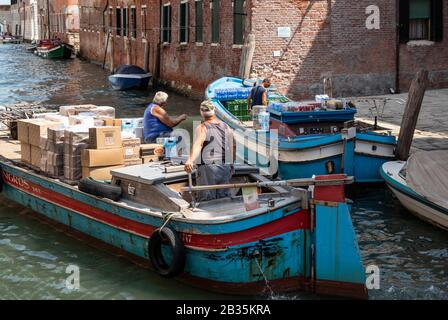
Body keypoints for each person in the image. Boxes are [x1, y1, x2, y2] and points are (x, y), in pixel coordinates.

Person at [184, 100, 234, 201]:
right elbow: (232, 145)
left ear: (201, 112)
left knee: (207, 199)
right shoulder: (226, 126)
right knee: (224, 198)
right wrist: (231, 163)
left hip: (208, 168)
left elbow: (199, 144)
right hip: (224, 166)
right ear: (214, 111)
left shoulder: (202, 127)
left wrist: (190, 160)